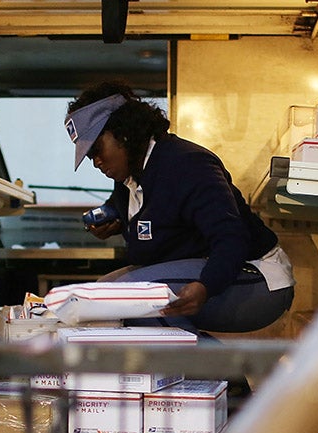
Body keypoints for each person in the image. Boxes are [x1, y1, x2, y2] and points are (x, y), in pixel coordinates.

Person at [64, 81, 294, 334]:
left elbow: (231, 237)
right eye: (89, 157)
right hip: (213, 270)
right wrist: (116, 221)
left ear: (124, 133)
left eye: (97, 150)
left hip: (257, 278)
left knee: (125, 296)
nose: (96, 162)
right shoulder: (129, 179)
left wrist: (206, 285)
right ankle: (183, 371)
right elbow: (147, 214)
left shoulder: (187, 164)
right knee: (101, 291)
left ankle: (223, 373)